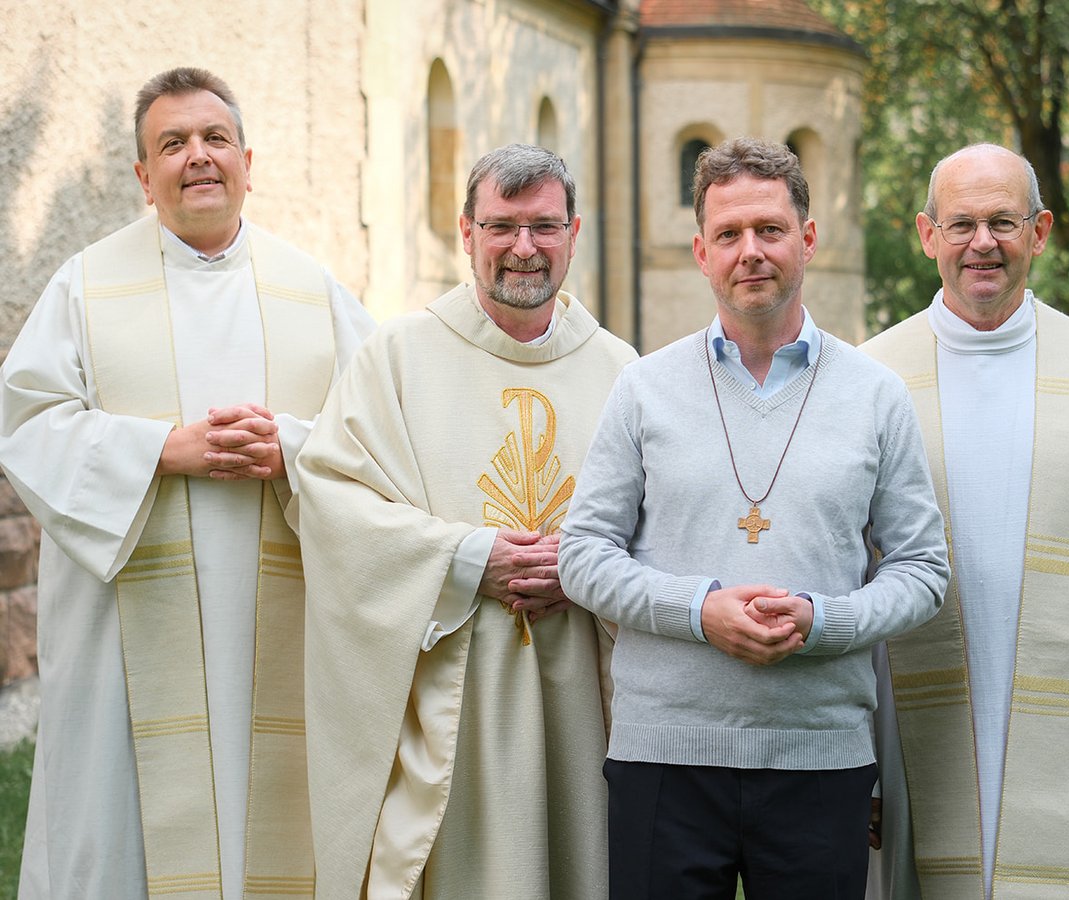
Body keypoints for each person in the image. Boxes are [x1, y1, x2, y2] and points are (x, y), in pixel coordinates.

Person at [0, 67, 374, 899]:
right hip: (124, 640)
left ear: (248, 162)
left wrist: (289, 448)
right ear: (144, 178)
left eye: (215, 138)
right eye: (172, 143)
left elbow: (380, 438)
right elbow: (26, 423)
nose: (197, 156)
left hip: (280, 630)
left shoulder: (314, 292)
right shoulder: (84, 287)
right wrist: (164, 451)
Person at [557, 136, 949, 900]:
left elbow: (923, 570)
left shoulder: (875, 395)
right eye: (729, 233)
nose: (751, 252)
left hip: (819, 756)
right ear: (702, 252)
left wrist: (824, 620)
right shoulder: (643, 389)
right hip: (664, 757)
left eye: (770, 229)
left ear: (808, 239)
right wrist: (700, 611)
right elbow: (583, 556)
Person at [297, 143, 637, 899]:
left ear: (575, 233)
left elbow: (667, 528)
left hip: (586, 699)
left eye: (544, 226)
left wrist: (585, 571)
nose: (524, 247)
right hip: (451, 698)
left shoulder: (623, 373)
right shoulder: (397, 356)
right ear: (466, 232)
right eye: (501, 226)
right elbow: (331, 499)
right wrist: (464, 558)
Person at [861, 142, 1069, 900]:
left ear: (1039, 232)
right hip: (907, 743)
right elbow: (840, 579)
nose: (982, 243)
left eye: (1003, 222)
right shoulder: (872, 378)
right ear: (928, 235)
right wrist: (856, 766)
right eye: (961, 224)